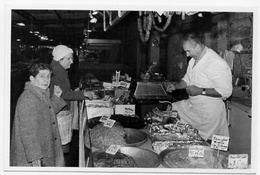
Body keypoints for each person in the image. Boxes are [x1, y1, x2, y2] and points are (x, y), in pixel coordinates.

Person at [166, 32, 233, 142]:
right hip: (194, 108)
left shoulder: (215, 63)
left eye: (188, 51)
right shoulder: (193, 60)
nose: (187, 55)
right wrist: (176, 86)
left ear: (197, 46)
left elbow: (226, 91)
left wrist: (200, 91)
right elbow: (187, 79)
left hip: (210, 113)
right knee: (174, 108)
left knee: (207, 144)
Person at [10, 63, 66, 166]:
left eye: (48, 76)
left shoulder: (40, 93)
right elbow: (28, 132)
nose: (46, 80)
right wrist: (35, 158)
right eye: (42, 76)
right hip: (36, 154)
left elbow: (47, 111)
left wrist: (56, 97)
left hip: (44, 146)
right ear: (32, 78)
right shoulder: (28, 99)